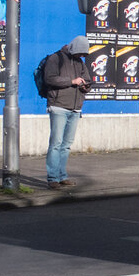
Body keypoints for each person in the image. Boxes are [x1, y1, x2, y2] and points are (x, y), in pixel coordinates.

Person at [43, 36, 91, 189]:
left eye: (84, 54)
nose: (81, 56)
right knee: (56, 144)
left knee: (66, 145)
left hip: (75, 108)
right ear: (73, 48)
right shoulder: (55, 58)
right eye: (80, 53)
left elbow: (87, 80)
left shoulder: (80, 63)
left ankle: (62, 176)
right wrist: (72, 82)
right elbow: (49, 79)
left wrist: (85, 86)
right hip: (58, 106)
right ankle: (52, 178)